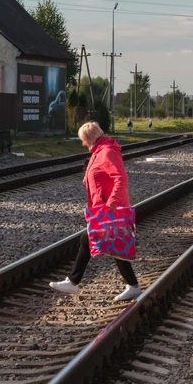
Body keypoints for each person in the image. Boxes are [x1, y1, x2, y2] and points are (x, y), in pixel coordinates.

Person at [50, 121, 142, 302]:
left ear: (90, 138)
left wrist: (112, 202)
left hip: (110, 207)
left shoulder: (106, 152)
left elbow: (121, 178)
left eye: (83, 140)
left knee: (100, 241)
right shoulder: (99, 151)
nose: (83, 144)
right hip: (102, 207)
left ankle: (74, 282)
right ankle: (132, 286)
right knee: (109, 244)